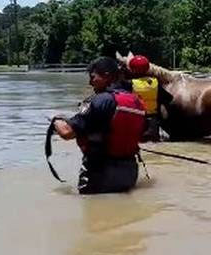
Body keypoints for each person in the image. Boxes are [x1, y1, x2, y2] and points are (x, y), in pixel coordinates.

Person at [53, 56, 146, 194]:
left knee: (93, 212)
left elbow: (67, 133)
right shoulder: (137, 102)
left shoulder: (101, 100)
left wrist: (55, 120)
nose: (90, 83)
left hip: (100, 173)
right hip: (129, 174)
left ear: (107, 76)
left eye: (93, 77)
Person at [126, 54, 165, 142]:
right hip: (153, 122)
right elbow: (168, 98)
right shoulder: (156, 83)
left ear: (132, 70)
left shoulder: (129, 84)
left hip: (137, 120)